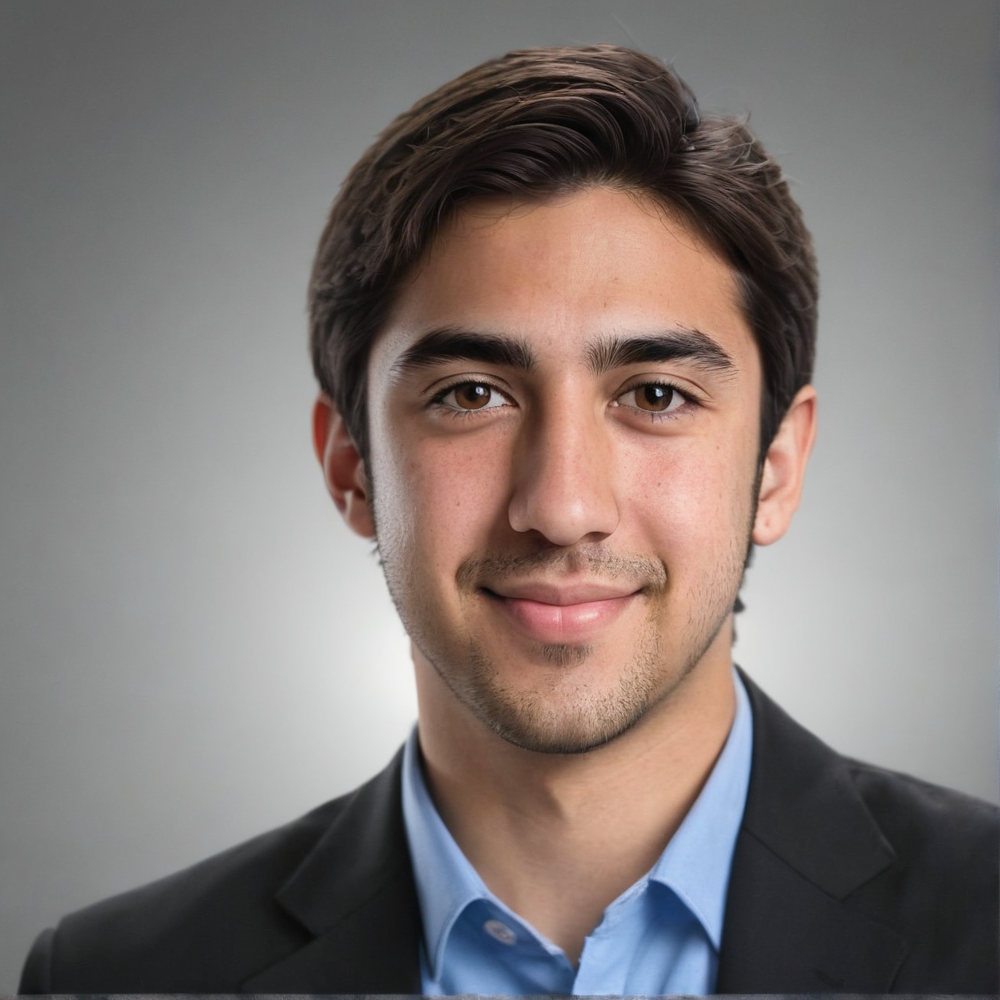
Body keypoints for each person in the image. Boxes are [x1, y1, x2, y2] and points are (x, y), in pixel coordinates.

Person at [19, 44, 997, 995]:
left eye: (655, 395)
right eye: (471, 394)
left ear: (775, 468)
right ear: (351, 466)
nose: (562, 507)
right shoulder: (112, 979)